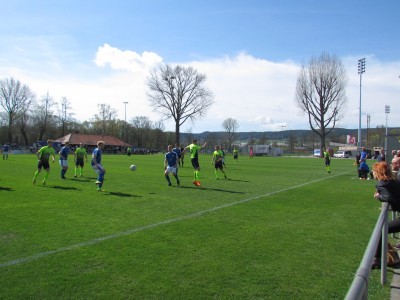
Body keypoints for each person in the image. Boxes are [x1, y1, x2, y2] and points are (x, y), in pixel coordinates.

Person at [371, 162, 400, 268]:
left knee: (382, 229)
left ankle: (377, 259)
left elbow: (389, 198)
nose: (372, 173)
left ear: (378, 172)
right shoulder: (394, 181)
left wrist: (379, 196)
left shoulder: (382, 184)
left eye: (374, 171)